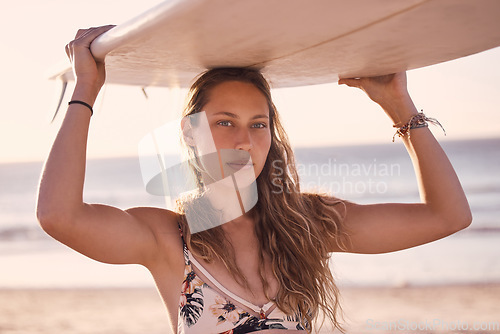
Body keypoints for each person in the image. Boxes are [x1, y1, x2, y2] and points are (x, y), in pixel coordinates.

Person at [37, 26, 472, 334]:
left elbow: (447, 216)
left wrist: (399, 106)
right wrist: (86, 91)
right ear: (191, 133)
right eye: (225, 123)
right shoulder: (169, 239)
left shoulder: (308, 224)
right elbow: (59, 216)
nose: (244, 141)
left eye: (258, 124)